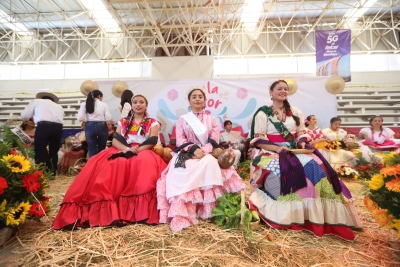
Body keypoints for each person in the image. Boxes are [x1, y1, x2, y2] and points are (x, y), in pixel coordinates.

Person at [247, 80, 362, 241]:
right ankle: (288, 215)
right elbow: (257, 139)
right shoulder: (263, 113)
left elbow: (301, 133)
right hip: (270, 151)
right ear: (271, 92)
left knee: (317, 167)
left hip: (296, 150)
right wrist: (277, 149)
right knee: (281, 171)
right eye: (279, 89)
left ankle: (316, 215)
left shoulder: (295, 111)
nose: (283, 91)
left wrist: (302, 141)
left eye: (285, 89)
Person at [52, 95, 167, 230]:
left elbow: (152, 140)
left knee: (145, 164)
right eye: (135, 102)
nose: (138, 105)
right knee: (110, 164)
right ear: (132, 105)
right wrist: (127, 149)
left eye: (141, 102)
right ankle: (102, 211)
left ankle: (141, 212)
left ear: (146, 105)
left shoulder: (152, 122)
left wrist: (136, 151)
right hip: (123, 148)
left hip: (143, 149)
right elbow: (115, 140)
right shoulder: (123, 121)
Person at [156, 88, 245, 232]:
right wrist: (193, 149)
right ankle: (186, 211)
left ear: (204, 101)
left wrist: (204, 151)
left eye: (200, 97)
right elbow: (180, 140)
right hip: (187, 151)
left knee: (210, 163)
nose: (197, 99)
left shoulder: (212, 120)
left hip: (207, 151)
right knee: (181, 168)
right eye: (194, 97)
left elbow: (214, 139)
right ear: (189, 101)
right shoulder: (183, 119)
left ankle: (208, 211)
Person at [21, 92, 64, 177]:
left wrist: (34, 116)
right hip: (58, 127)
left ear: (41, 98)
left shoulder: (37, 101)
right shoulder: (59, 106)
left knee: (40, 150)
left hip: (44, 126)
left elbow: (24, 116)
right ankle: (52, 172)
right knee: (53, 151)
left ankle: (40, 173)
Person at [77, 90, 113, 157]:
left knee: (92, 150)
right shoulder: (104, 104)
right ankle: (101, 166)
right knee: (102, 150)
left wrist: (87, 120)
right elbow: (108, 118)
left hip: (89, 126)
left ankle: (93, 166)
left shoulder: (84, 104)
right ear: (99, 96)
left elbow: (80, 118)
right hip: (101, 126)